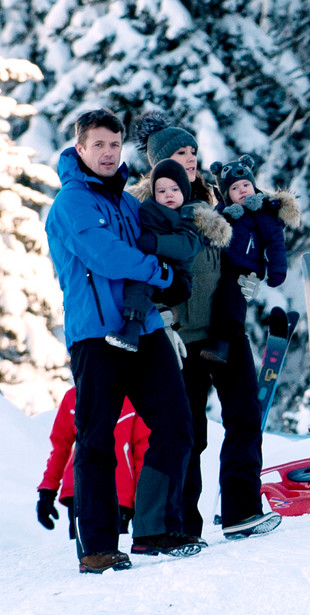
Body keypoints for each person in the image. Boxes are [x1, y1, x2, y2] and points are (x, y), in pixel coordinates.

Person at [45, 108, 205, 574]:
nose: (109, 153)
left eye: (115, 145)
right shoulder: (72, 203)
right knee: (96, 440)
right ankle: (96, 546)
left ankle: (154, 529)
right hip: (96, 335)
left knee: (177, 425)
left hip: (146, 328)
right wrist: (161, 272)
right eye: (99, 145)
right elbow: (107, 255)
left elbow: (159, 237)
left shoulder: (129, 204)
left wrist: (177, 275)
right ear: (80, 149)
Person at [133, 113, 294, 539]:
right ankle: (183, 525)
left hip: (224, 329)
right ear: (159, 162)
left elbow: (244, 245)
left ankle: (242, 511)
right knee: (191, 433)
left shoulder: (215, 201)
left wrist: (249, 275)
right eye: (180, 153)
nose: (190, 158)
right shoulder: (144, 209)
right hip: (179, 337)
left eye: (192, 151)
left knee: (244, 416)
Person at [201, 154, 290, 364]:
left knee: (232, 303)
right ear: (225, 194)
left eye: (246, 185)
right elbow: (208, 236)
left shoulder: (262, 212)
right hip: (220, 268)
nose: (242, 190)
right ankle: (216, 340)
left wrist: (277, 270)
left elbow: (275, 242)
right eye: (234, 188)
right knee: (218, 302)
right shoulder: (223, 213)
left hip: (245, 268)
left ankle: (224, 344)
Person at [105, 159, 201, 351]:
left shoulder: (190, 215)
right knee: (137, 283)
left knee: (143, 283)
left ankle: (138, 329)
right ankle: (134, 329)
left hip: (177, 274)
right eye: (161, 191)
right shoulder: (148, 210)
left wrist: (156, 242)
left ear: (184, 191)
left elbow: (188, 245)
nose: (168, 195)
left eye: (174, 189)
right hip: (154, 267)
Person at [37, 388, 149, 540]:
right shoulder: (74, 396)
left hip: (118, 493)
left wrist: (141, 499)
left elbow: (142, 452)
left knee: (113, 553)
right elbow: (60, 447)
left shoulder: (134, 397)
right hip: (79, 491)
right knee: (84, 553)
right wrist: (47, 491)